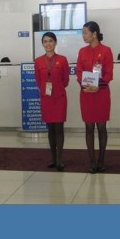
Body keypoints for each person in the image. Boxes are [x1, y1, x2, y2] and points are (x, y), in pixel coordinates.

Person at [77, 21, 114, 173]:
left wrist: (98, 85)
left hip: (101, 93)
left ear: (94, 34)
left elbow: (109, 73)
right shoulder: (82, 51)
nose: (83, 36)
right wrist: (85, 84)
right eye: (83, 33)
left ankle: (101, 160)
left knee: (101, 127)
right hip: (86, 93)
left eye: (85, 33)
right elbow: (79, 72)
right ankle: (92, 161)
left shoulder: (106, 51)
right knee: (89, 127)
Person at [34, 32, 70, 172]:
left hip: (59, 98)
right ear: (42, 44)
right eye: (45, 41)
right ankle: (53, 159)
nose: (48, 44)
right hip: (46, 98)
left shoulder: (63, 59)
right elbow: (38, 80)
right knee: (50, 129)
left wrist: (57, 88)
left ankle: (60, 160)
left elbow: (66, 81)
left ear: (55, 43)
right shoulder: (38, 61)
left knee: (59, 129)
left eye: (50, 41)